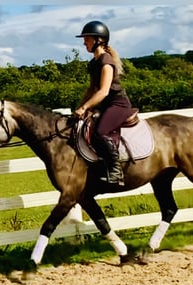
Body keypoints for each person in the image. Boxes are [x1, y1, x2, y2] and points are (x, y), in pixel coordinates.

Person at [74, 20, 135, 186]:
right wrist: (80, 108)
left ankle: (116, 171)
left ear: (98, 40)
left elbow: (103, 91)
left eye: (87, 38)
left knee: (100, 132)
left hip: (118, 104)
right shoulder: (94, 62)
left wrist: (86, 107)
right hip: (104, 105)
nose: (84, 42)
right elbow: (91, 90)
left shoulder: (106, 61)